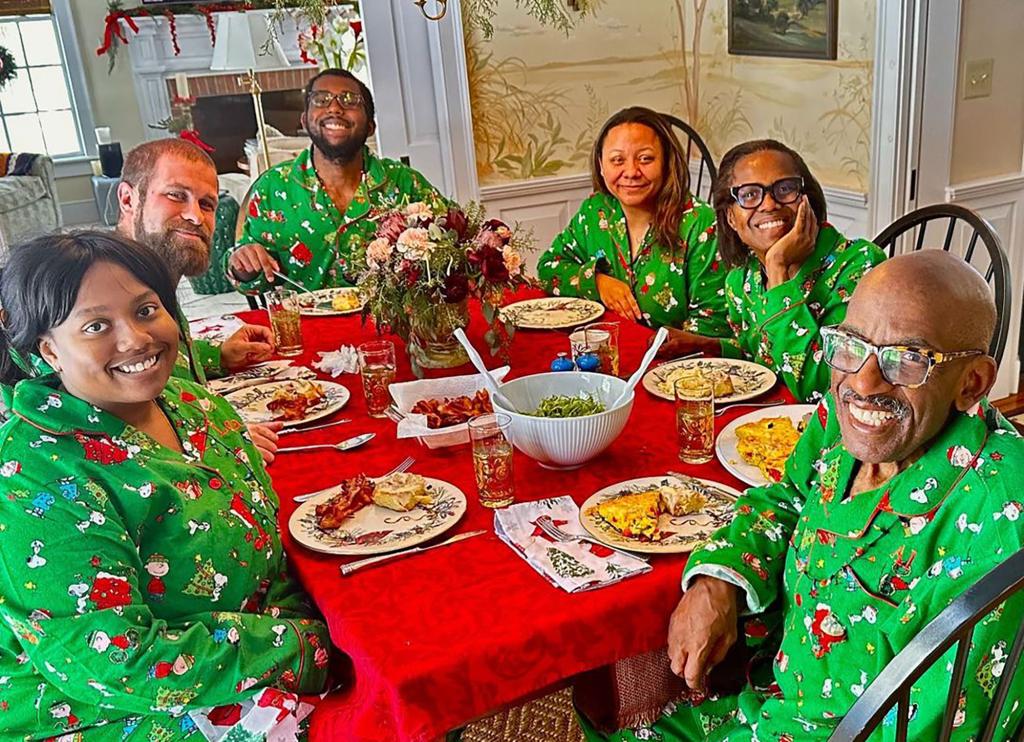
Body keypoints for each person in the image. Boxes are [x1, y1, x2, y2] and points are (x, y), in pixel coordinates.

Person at [581, 251, 1024, 741]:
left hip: (833, 732)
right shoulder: (842, 420)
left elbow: (942, 725)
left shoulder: (998, 521)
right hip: (766, 692)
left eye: (907, 360)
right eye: (851, 345)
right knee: (602, 694)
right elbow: (787, 497)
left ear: (973, 383)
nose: (862, 381)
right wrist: (719, 580)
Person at [0, 231, 330, 740]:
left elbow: (262, 550)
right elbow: (112, 662)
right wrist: (301, 648)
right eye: (96, 326)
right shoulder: (32, 476)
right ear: (49, 350)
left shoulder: (196, 406)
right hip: (109, 708)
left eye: (147, 310)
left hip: (252, 652)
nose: (135, 339)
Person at [659, 139, 887, 402]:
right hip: (766, 425)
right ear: (731, 218)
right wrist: (706, 345)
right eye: (749, 195)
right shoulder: (742, 280)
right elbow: (763, 358)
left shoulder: (860, 266)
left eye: (785, 189)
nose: (769, 204)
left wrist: (778, 267)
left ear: (807, 200)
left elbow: (820, 388)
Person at [116, 139, 283, 462]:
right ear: (128, 199)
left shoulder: (150, 273)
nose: (195, 216)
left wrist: (215, 355)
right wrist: (212, 434)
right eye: (176, 196)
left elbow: (147, 363)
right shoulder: (106, 289)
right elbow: (89, 411)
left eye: (207, 204)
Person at [228, 68, 446, 293]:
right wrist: (245, 266)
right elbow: (253, 283)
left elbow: (457, 239)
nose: (334, 108)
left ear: (371, 126)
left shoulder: (405, 183)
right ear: (304, 120)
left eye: (350, 101)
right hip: (307, 326)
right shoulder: (272, 188)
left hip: (392, 326)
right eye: (321, 100)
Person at [537, 107, 729, 333]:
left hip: (675, 362)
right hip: (608, 349)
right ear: (601, 165)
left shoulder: (701, 223)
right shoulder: (595, 211)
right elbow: (549, 268)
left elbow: (713, 324)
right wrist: (597, 282)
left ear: (667, 162)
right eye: (617, 160)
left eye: (645, 159)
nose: (631, 172)